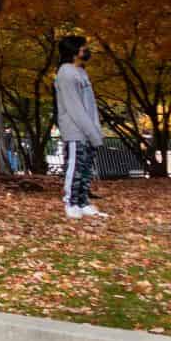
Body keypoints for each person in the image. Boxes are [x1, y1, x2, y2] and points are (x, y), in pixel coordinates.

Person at [54, 36, 107, 219]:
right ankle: (71, 203)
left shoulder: (81, 72)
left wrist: (95, 130)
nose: (86, 51)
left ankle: (83, 202)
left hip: (88, 128)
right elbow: (74, 107)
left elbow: (89, 105)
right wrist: (90, 131)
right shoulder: (66, 73)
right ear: (74, 51)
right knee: (75, 167)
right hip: (75, 130)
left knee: (86, 168)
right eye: (83, 48)